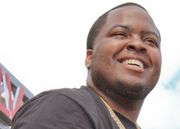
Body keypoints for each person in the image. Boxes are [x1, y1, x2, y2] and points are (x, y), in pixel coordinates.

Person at [11, 2, 161, 129]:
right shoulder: (66, 106)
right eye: (120, 34)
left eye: (150, 41)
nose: (138, 44)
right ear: (90, 57)